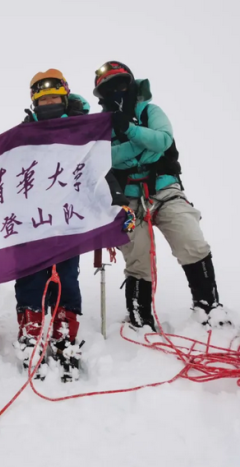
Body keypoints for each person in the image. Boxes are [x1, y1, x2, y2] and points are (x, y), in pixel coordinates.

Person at [93, 61, 227, 329]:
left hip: (164, 189)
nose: (117, 91)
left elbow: (163, 141)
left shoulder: (150, 111)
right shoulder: (100, 125)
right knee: (138, 256)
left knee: (191, 240)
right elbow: (105, 158)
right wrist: (141, 144)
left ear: (131, 84)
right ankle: (139, 315)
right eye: (110, 88)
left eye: (121, 84)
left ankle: (208, 305)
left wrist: (129, 132)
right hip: (127, 198)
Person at [13, 69, 91, 381]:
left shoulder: (84, 131)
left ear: (65, 96)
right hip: (32, 220)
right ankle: (31, 332)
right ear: (34, 101)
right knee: (30, 275)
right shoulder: (21, 135)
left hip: (68, 218)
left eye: (53, 96)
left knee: (66, 277)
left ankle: (63, 333)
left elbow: (99, 167)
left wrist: (115, 199)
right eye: (42, 97)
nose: (48, 101)